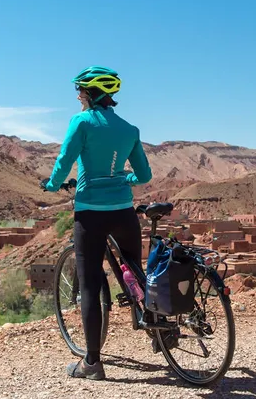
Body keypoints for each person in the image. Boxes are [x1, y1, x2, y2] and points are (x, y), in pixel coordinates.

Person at [42, 65, 152, 380]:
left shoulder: (82, 122)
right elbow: (144, 176)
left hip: (91, 213)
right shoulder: (130, 129)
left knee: (90, 282)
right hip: (124, 213)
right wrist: (122, 178)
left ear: (91, 94)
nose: (77, 96)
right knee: (135, 272)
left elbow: (64, 163)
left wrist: (51, 185)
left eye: (80, 90)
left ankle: (91, 363)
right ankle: (161, 331)